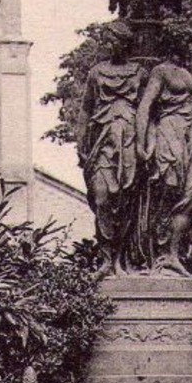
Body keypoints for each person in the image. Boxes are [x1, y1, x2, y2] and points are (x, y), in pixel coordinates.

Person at [76, 22, 146, 275]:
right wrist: (80, 141)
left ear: (123, 43)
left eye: (110, 41)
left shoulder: (139, 73)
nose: (106, 45)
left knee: (126, 200)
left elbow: (148, 111)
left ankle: (121, 259)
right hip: (102, 139)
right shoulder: (96, 72)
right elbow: (86, 109)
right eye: (104, 41)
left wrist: (145, 144)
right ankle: (106, 258)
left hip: (128, 139)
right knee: (101, 195)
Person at [135, 55, 192, 275]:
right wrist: (142, 143)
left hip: (187, 137)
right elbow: (145, 107)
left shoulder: (185, 71)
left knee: (190, 197)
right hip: (168, 134)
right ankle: (157, 256)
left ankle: (173, 255)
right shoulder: (160, 71)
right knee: (166, 193)